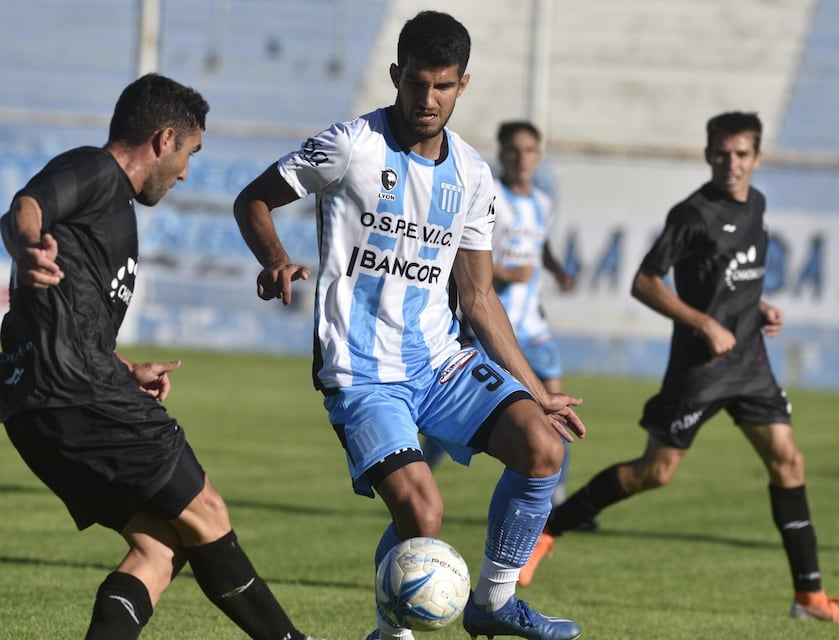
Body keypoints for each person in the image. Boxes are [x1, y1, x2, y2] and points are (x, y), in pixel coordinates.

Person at [233, 11, 585, 640]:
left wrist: (534, 391)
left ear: (463, 85)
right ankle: (390, 634)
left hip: (437, 361)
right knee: (423, 511)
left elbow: (478, 296)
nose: (427, 100)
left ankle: (494, 603)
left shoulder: (474, 176)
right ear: (396, 75)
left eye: (442, 86)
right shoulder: (350, 146)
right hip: (361, 371)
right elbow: (252, 198)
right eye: (416, 83)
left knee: (543, 446)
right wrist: (277, 258)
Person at [0, 73, 322, 640]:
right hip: (79, 391)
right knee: (208, 515)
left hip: (35, 407)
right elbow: (24, 207)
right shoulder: (97, 171)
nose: (187, 173)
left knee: (159, 548)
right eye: (190, 154)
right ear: (164, 138)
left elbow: (74, 317)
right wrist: (27, 247)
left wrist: (126, 367)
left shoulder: (110, 211)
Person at [518, 111, 839, 626]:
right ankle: (548, 529)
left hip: (749, 363)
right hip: (699, 370)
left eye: (742, 154)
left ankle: (809, 598)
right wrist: (704, 323)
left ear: (757, 157)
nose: (732, 163)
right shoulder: (693, 213)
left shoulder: (758, 205)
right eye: (722, 153)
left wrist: (757, 308)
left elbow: (734, 280)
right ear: (708, 155)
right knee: (653, 473)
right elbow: (645, 281)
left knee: (789, 462)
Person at [423, 121, 579, 507]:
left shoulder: (543, 202)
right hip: (496, 328)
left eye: (529, 151)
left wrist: (556, 270)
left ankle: (555, 503)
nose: (521, 158)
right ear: (503, 155)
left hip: (536, 330)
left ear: (538, 156)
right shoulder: (492, 199)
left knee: (557, 409)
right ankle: (417, 475)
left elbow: (539, 245)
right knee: (457, 420)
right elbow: (468, 258)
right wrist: (508, 274)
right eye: (514, 151)